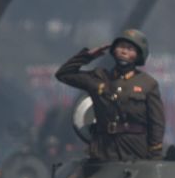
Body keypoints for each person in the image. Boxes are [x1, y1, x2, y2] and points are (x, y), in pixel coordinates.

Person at [55, 29, 165, 161]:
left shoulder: (147, 84)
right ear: (113, 50)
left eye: (130, 49)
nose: (124, 52)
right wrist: (88, 56)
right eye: (121, 47)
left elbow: (157, 122)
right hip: (103, 150)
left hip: (135, 150)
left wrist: (155, 154)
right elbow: (64, 74)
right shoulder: (99, 77)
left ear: (138, 54)